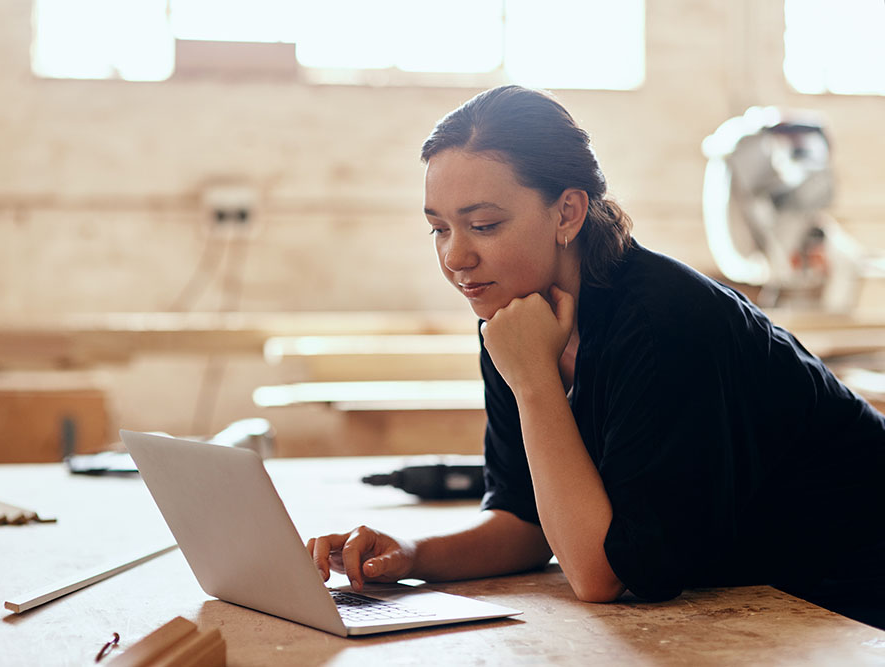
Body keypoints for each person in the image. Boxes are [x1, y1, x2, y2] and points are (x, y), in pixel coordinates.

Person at [306, 85, 885, 628]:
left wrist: (534, 382)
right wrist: (407, 554)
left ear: (567, 213)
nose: (457, 257)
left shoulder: (663, 321)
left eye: (483, 225)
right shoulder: (515, 319)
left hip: (853, 598)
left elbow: (604, 573)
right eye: (438, 229)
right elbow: (529, 522)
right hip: (776, 603)